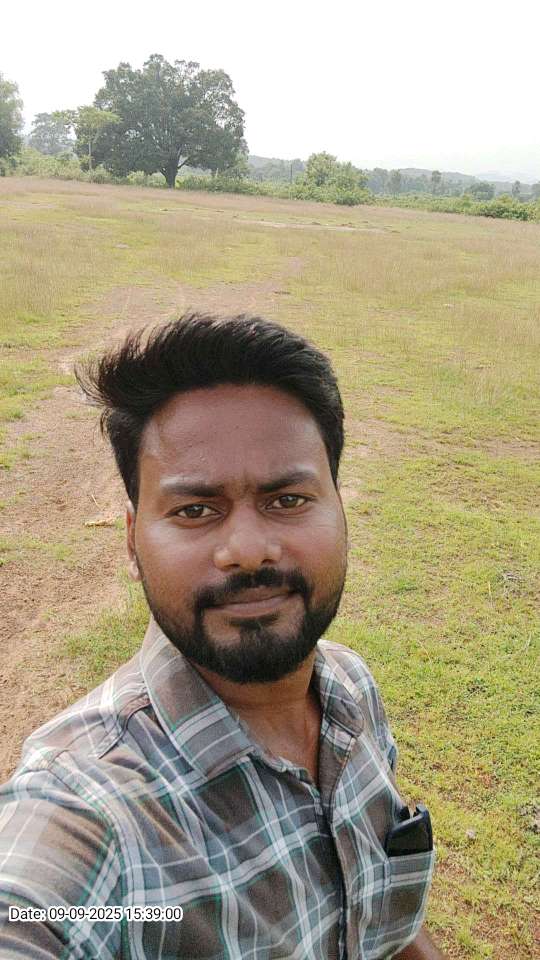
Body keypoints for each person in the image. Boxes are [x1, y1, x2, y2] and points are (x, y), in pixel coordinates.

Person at [0, 313, 444, 959]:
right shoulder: (89, 809)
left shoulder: (351, 688)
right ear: (132, 542)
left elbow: (386, 924)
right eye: (195, 510)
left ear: (340, 509)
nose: (248, 550)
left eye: (287, 500)